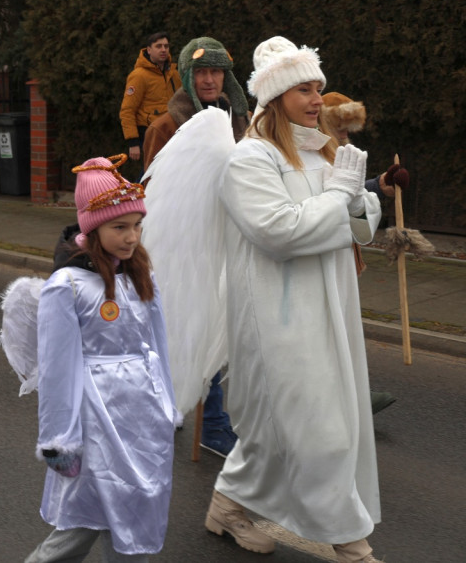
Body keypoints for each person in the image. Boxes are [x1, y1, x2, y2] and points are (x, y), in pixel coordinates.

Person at [204, 37, 382, 562]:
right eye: (303, 88)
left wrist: (351, 198)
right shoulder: (249, 160)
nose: (315, 98)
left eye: (318, 88)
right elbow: (280, 233)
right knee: (318, 431)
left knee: (280, 430)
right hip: (276, 315)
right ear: (277, 95)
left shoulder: (323, 150)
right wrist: (338, 197)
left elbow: (364, 223)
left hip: (329, 306)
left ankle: (227, 505)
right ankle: (352, 544)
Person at [26, 154, 177, 563]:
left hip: (141, 423)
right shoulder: (68, 286)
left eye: (137, 226)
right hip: (96, 423)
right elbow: (58, 368)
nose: (132, 237)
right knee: (78, 528)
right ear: (93, 229)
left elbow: (157, 344)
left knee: (135, 521)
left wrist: (167, 406)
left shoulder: (141, 275)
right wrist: (60, 439)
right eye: (120, 227)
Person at [142, 36, 249, 458]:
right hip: (186, 250)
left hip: (233, 238)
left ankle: (220, 419)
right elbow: (152, 194)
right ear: (187, 75)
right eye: (202, 72)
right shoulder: (166, 127)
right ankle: (203, 416)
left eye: (216, 71)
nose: (209, 79)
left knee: (225, 331)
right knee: (188, 326)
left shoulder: (245, 123)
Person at [321, 91, 408, 415]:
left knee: (341, 330)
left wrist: (381, 183)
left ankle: (352, 393)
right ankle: (346, 397)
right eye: (339, 127)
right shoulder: (313, 155)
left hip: (344, 255)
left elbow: (353, 194)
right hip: (319, 259)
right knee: (326, 334)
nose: (345, 134)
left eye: (348, 128)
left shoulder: (339, 152)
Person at [119, 32, 181, 165]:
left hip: (172, 132)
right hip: (149, 133)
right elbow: (127, 110)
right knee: (151, 173)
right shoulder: (139, 76)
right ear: (149, 50)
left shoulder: (174, 74)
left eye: (166, 46)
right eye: (158, 46)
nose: (163, 50)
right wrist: (133, 142)